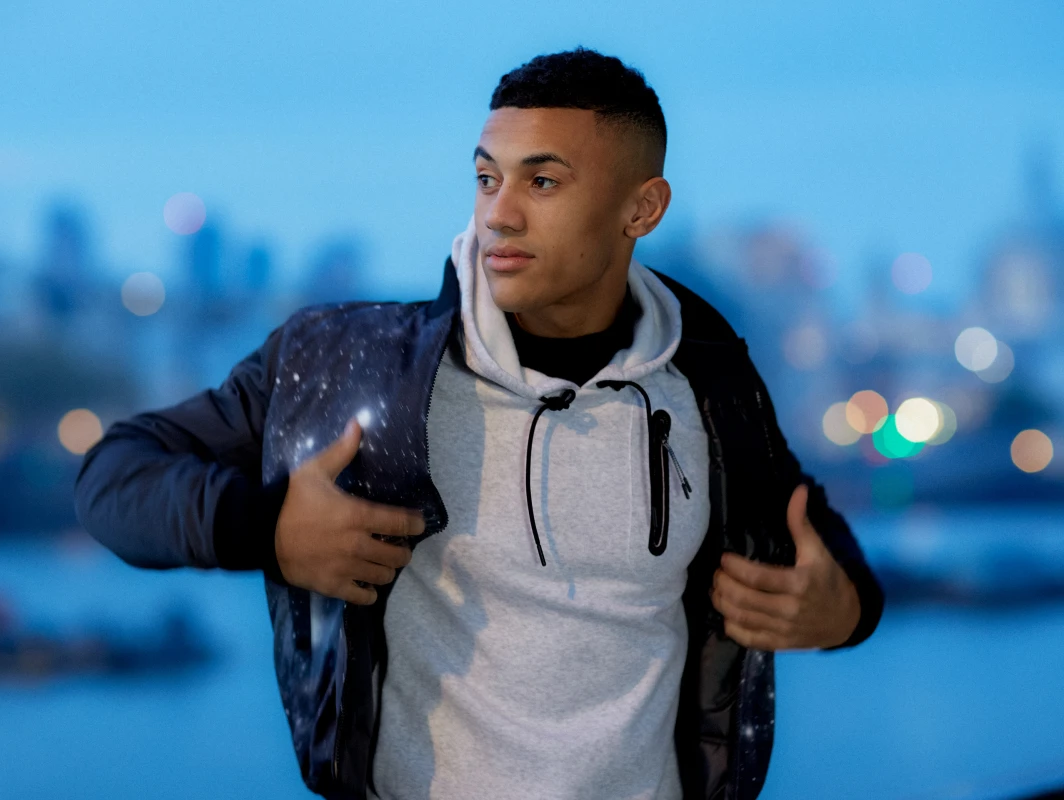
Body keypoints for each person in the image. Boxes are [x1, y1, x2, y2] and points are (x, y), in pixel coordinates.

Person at [74, 46, 883, 800]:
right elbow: (113, 477)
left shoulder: (708, 380)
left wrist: (844, 610)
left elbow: (807, 523)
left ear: (643, 207)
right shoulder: (350, 367)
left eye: (543, 183)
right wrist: (267, 529)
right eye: (487, 178)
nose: (499, 215)